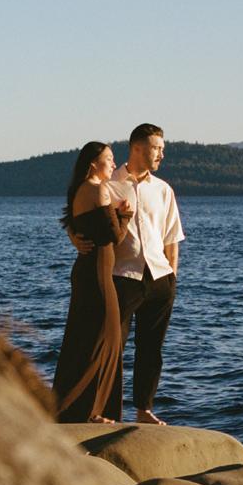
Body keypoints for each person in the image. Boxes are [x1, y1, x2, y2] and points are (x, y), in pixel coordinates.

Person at [73, 123, 185, 425]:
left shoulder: (164, 190)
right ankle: (98, 411)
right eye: (156, 148)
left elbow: (171, 239)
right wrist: (73, 236)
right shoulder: (108, 184)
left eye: (162, 148)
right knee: (111, 347)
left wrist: (172, 279)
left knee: (152, 349)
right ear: (137, 148)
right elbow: (79, 211)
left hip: (159, 278)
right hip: (122, 277)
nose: (161, 154)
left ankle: (143, 410)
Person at [51, 141, 134, 423]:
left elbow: (78, 226)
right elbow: (115, 236)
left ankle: (88, 409)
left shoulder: (80, 189)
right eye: (109, 159)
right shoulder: (97, 189)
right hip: (97, 274)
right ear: (93, 164)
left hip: (90, 272)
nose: (114, 164)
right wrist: (125, 215)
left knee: (87, 339)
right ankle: (88, 411)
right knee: (102, 338)